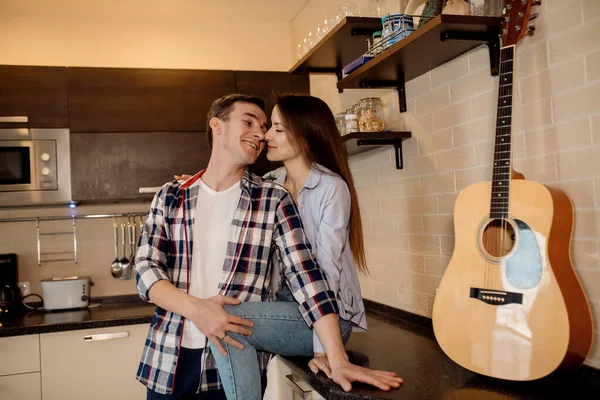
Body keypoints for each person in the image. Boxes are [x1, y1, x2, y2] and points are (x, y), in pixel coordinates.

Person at [134, 93, 402, 400]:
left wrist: (336, 358)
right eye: (249, 122)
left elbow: (308, 275)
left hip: (234, 357)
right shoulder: (172, 196)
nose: (261, 134)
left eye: (265, 126)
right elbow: (145, 270)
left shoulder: (273, 198)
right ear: (217, 126)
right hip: (169, 358)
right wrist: (199, 311)